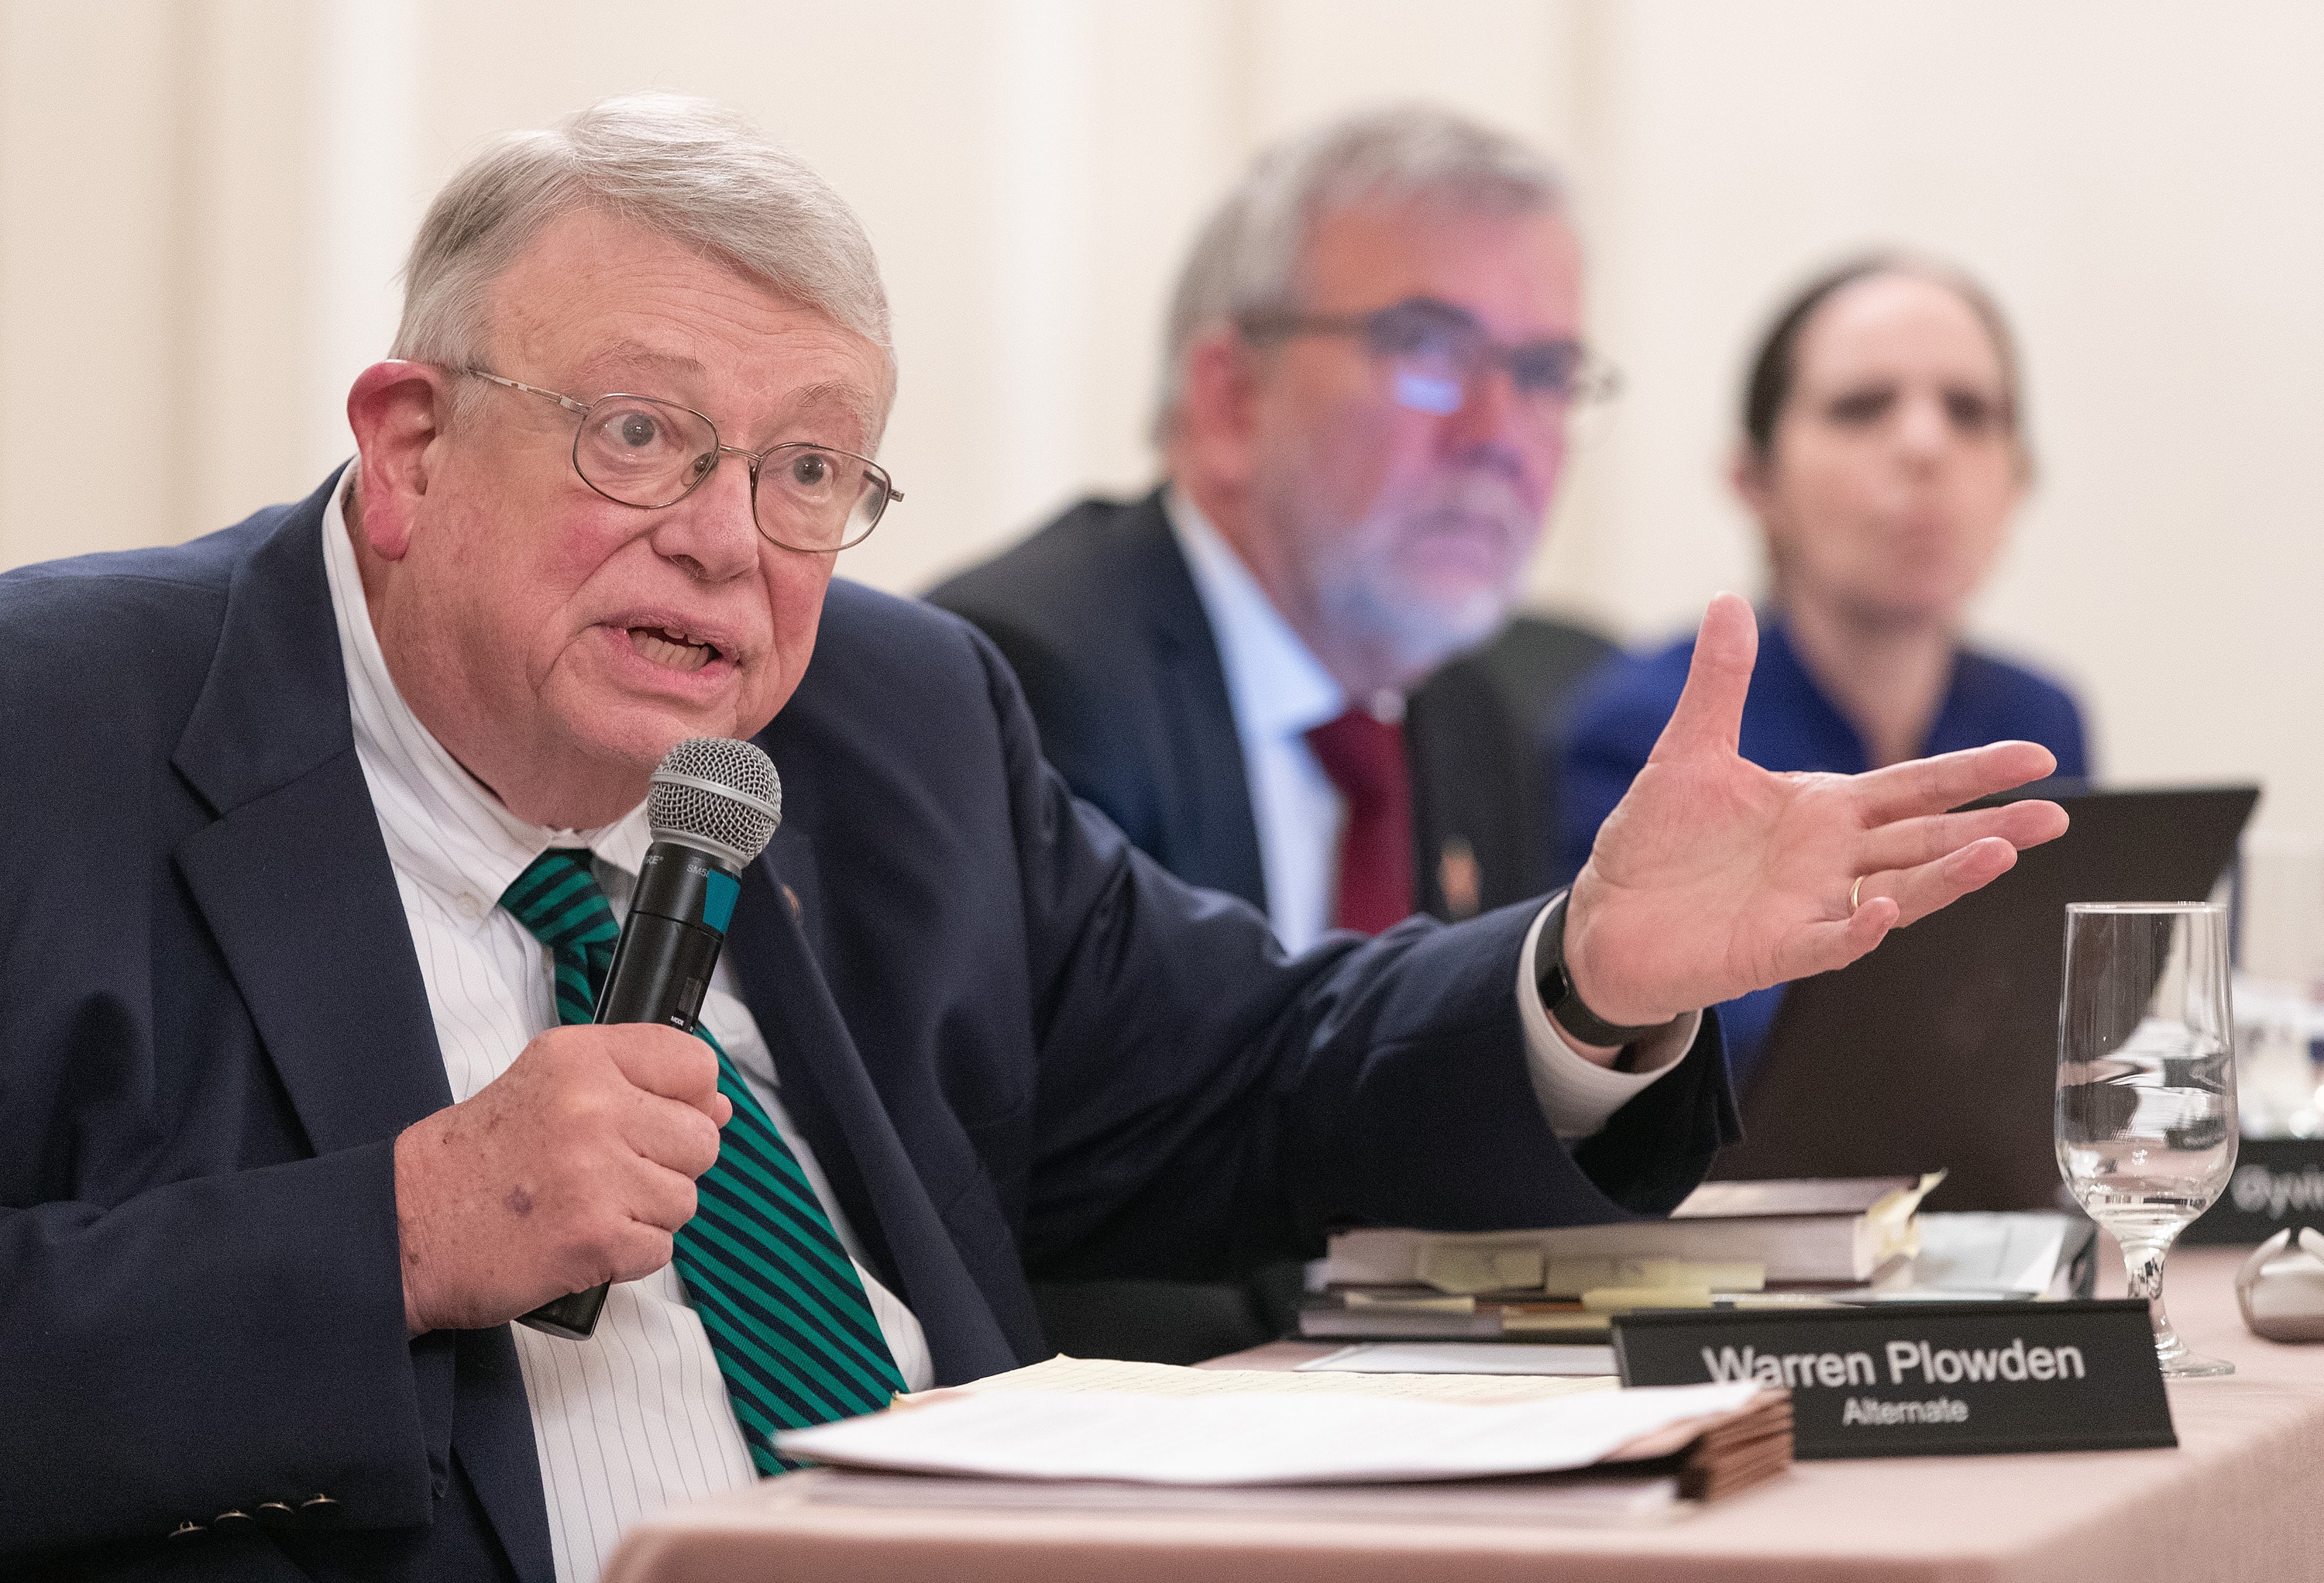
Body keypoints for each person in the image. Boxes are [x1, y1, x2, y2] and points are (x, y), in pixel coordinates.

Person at [0, 98, 2064, 1583]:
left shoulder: (892, 718)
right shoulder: (62, 727)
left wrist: (1585, 973)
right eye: (640, 433)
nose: (726, 538)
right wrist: (397, 1233)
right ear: (407, 446)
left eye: (811, 469)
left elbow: (1247, 1072)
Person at [931, 107, 1617, 958]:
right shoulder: (1030, 684)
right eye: (1431, 352)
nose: (1499, 436)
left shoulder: (1473, 719)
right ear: (1232, 399)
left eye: (1545, 373)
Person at [1557, 256, 2090, 1087]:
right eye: (1860, 407)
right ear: (1754, 479)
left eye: (1971, 411)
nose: (1924, 445)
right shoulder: (1642, 732)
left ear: (2016, 481)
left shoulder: (2040, 719)